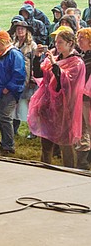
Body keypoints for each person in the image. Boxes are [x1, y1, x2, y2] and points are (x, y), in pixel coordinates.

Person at [28, 26, 85, 168]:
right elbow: (39, 74)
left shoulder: (77, 62)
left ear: (70, 43)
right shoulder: (54, 57)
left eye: (60, 42)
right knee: (46, 141)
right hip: (48, 105)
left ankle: (69, 171)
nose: (56, 45)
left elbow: (65, 84)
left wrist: (55, 65)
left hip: (65, 109)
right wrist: (36, 57)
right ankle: (45, 168)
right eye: (56, 42)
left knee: (66, 143)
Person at [0, 30, 26, 154]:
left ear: (3, 42)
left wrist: (8, 88)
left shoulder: (14, 54)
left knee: (4, 117)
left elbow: (19, 74)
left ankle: (8, 145)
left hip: (8, 92)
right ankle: (5, 143)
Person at [10, 20, 37, 138]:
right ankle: (14, 129)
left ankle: (33, 131)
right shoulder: (13, 44)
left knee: (30, 105)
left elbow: (35, 64)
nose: (20, 31)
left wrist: (32, 78)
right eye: (18, 29)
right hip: (16, 79)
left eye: (22, 29)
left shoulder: (32, 46)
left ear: (27, 31)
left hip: (28, 79)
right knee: (16, 104)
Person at [75, 27, 91, 169]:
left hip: (88, 98)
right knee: (83, 127)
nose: (79, 41)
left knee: (88, 126)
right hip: (82, 97)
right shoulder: (82, 55)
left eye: (82, 38)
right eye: (78, 38)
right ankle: (83, 161)